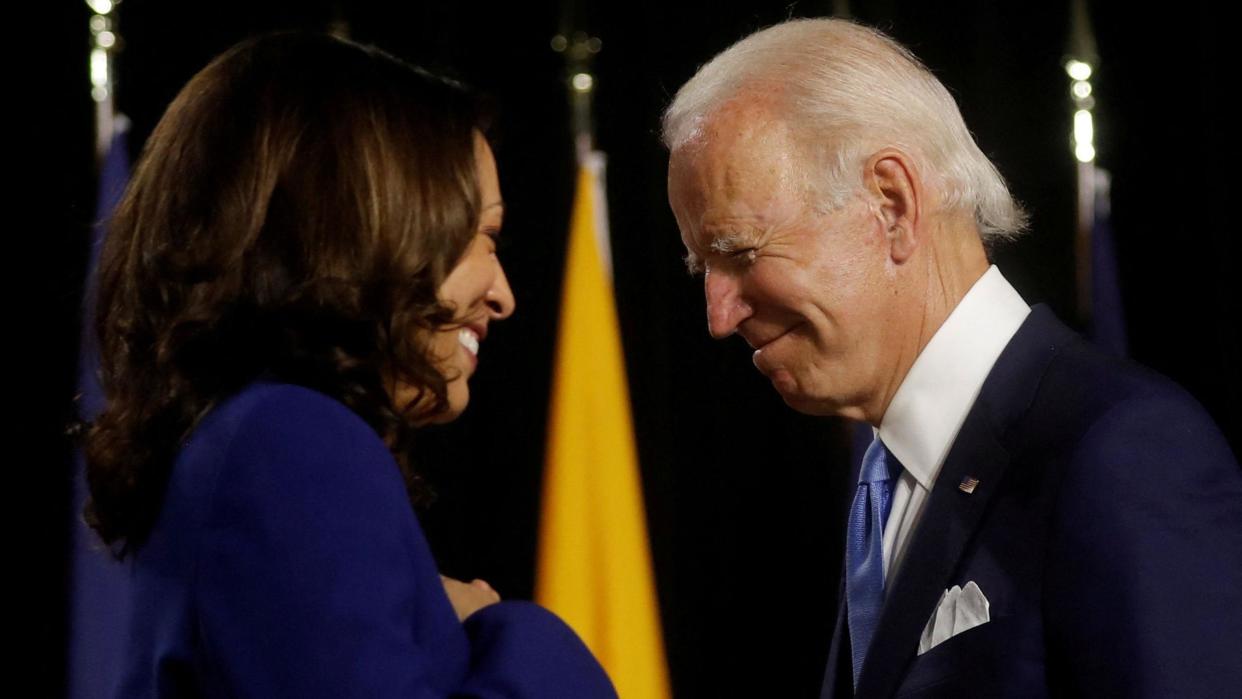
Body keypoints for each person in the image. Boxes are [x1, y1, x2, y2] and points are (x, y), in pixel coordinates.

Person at [663, 18, 1242, 698]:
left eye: (740, 251)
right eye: (705, 266)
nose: (718, 315)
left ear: (892, 205)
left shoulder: (1121, 451)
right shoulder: (887, 483)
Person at [83, 33, 616, 698]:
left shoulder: (242, 438)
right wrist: (512, 633)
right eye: (483, 236)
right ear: (370, 226)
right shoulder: (291, 441)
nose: (505, 294)